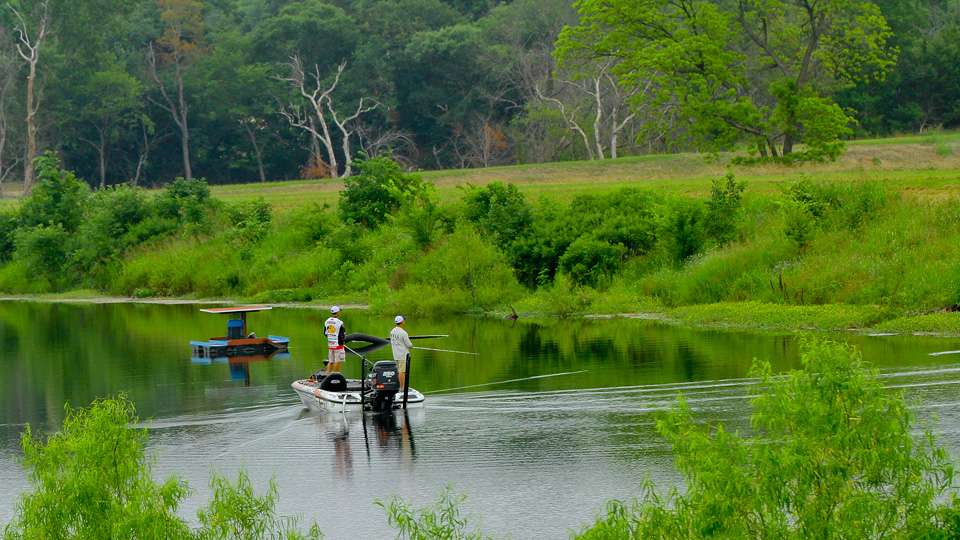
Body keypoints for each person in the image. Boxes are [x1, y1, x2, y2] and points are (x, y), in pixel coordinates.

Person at [390, 315, 413, 390]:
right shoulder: (403, 333)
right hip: (402, 355)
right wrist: (411, 346)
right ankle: (402, 388)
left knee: (399, 371)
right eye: (404, 320)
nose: (404, 321)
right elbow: (409, 345)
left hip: (395, 355)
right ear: (402, 322)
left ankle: (400, 386)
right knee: (402, 372)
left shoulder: (392, 331)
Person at [324, 306, 346, 373]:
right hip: (338, 344)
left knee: (331, 361)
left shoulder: (327, 321)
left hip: (330, 344)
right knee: (338, 361)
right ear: (338, 312)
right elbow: (343, 334)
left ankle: (327, 375)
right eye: (340, 311)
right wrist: (342, 341)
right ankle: (336, 375)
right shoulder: (340, 322)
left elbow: (325, 333)